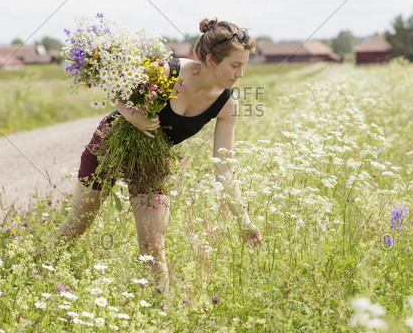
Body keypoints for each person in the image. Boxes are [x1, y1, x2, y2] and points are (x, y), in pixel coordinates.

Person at [58, 18, 264, 293]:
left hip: (150, 160)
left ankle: (159, 310)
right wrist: (134, 117)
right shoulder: (168, 70)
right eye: (235, 65)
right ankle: (42, 264)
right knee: (78, 225)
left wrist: (244, 220)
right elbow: (116, 89)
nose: (240, 74)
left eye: (244, 66)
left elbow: (224, 167)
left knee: (154, 246)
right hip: (109, 145)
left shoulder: (227, 103)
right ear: (212, 60)